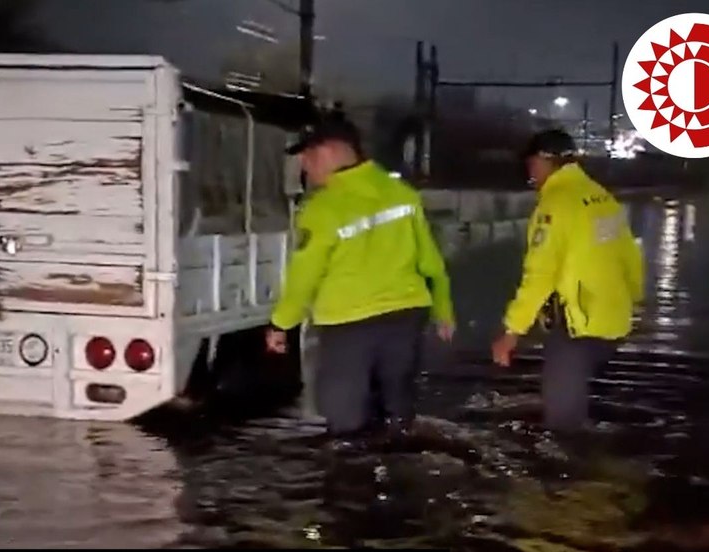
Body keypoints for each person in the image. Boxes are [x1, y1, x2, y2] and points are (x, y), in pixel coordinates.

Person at [265, 114, 455, 448]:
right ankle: (402, 485)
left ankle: (352, 492)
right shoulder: (402, 193)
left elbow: (304, 274)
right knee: (397, 414)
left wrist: (281, 323)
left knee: (346, 425)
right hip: (406, 317)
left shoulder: (323, 207)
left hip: (349, 324)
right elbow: (431, 261)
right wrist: (443, 309)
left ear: (326, 151)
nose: (305, 169)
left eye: (306, 159)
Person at [491, 129, 645, 432]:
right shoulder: (601, 196)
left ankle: (580, 475)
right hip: (611, 322)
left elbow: (540, 274)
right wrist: (635, 302)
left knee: (563, 424)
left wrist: (511, 332)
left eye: (531, 166)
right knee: (576, 404)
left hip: (577, 328)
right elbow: (630, 256)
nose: (531, 175)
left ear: (545, 162)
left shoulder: (556, 203)